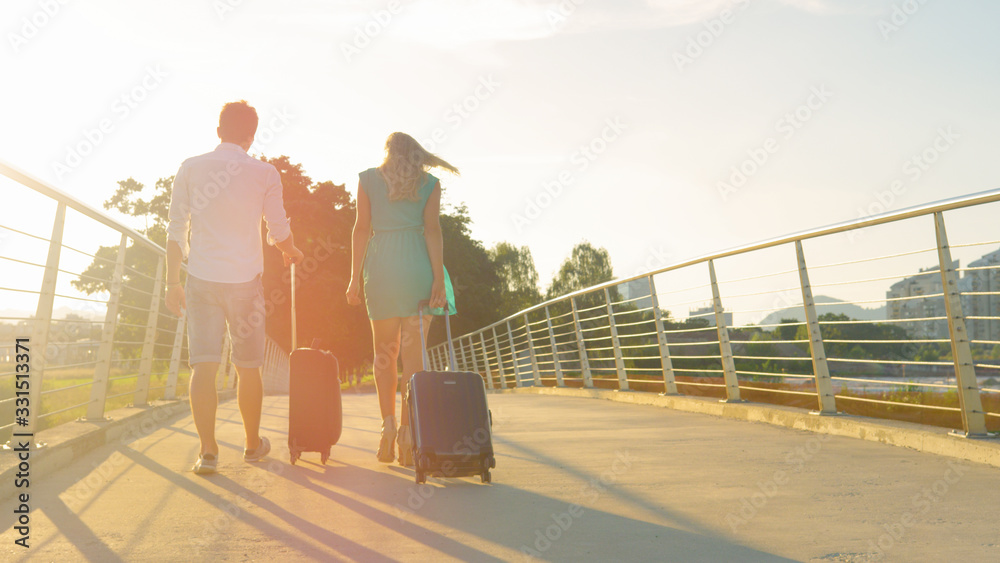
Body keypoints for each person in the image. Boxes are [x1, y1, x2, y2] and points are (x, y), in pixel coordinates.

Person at [165, 100, 304, 475]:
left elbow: (176, 229)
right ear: (251, 135)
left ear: (218, 131)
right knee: (249, 367)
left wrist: (171, 281)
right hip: (245, 282)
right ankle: (251, 444)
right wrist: (292, 252)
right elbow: (278, 230)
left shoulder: (190, 167)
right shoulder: (265, 173)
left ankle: (207, 452)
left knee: (204, 367)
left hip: (201, 280)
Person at [346, 132, 457, 466]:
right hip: (416, 270)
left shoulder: (367, 180)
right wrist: (438, 278)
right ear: (415, 155)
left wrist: (354, 277)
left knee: (384, 353)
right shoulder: (430, 184)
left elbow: (361, 229)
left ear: (388, 152)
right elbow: (433, 231)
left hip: (380, 271)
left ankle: (388, 427)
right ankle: (410, 434)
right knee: (413, 356)